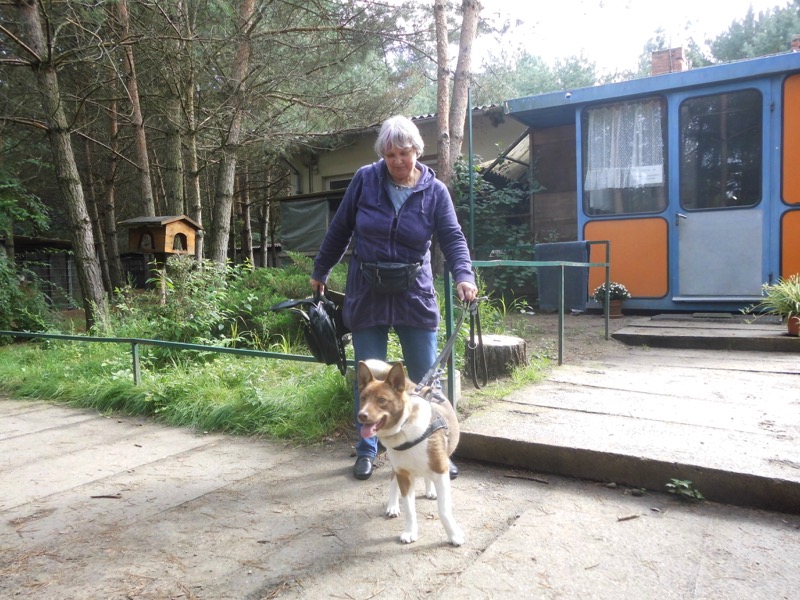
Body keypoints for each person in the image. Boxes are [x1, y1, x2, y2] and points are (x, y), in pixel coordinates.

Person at [310, 115, 478, 481]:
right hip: (367, 289)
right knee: (369, 380)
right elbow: (340, 228)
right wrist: (321, 269)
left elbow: (452, 237)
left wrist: (464, 276)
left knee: (426, 382)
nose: (397, 161)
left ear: (417, 150)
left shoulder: (435, 191)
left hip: (413, 293)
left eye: (404, 153)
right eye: (389, 155)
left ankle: (436, 450)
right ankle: (367, 450)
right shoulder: (364, 180)